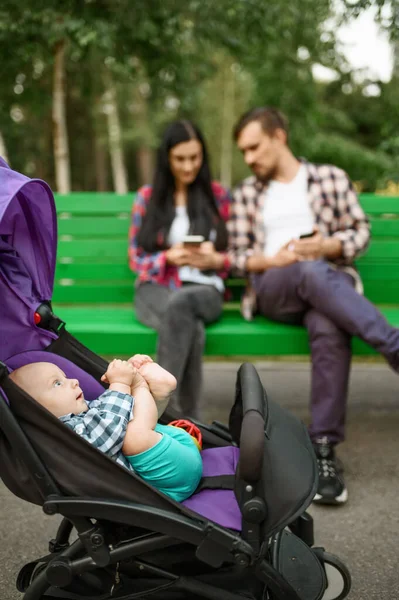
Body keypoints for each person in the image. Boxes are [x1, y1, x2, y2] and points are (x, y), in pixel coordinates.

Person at [229, 106, 399, 506]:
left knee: (327, 324)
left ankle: (323, 447)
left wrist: (327, 246)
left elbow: (360, 232)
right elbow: (234, 256)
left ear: (279, 137)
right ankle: (393, 345)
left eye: (254, 147)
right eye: (244, 152)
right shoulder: (247, 193)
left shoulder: (329, 178)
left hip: (328, 287)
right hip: (275, 289)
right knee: (307, 271)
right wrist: (275, 260)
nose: (249, 158)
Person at [129, 119, 231, 419]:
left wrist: (214, 257)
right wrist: (168, 258)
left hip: (204, 290)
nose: (189, 166)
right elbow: (136, 258)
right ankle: (189, 422)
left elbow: (234, 254)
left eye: (195, 158)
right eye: (180, 159)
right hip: (156, 289)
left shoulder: (219, 197)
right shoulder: (147, 198)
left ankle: (157, 417)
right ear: (167, 159)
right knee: (191, 328)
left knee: (182, 305)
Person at [9, 355, 203, 502]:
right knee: (131, 435)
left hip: (169, 463)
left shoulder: (86, 413)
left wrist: (128, 376)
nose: (74, 381)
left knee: (130, 424)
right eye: (57, 383)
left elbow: (118, 417)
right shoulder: (66, 436)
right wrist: (120, 384)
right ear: (37, 410)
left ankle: (150, 391)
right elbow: (105, 436)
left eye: (65, 377)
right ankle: (144, 388)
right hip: (167, 479)